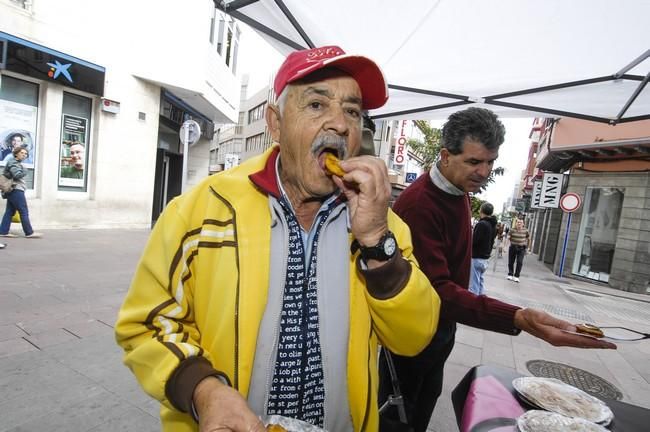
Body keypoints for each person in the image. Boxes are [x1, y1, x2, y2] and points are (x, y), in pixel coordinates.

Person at [115, 45, 440, 432]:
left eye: (352, 111)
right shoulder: (201, 211)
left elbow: (414, 338)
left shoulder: (383, 227)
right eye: (317, 105)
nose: (339, 123)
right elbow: (148, 324)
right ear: (275, 122)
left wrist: (376, 242)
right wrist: (204, 390)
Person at [378, 107, 615, 432]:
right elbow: (438, 291)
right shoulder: (420, 204)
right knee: (398, 418)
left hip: (440, 329)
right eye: (474, 162)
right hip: (411, 338)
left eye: (490, 161)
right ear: (446, 156)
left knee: (422, 408)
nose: (484, 171)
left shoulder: (458, 191)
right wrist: (516, 316)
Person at [0, 147, 42, 238]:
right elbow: (17, 175)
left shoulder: (16, 163)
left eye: (26, 153)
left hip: (13, 189)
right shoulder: (13, 162)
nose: (24, 155)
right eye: (22, 153)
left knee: (9, 211)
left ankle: (3, 231)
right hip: (15, 189)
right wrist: (25, 170)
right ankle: (29, 232)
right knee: (23, 211)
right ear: (16, 153)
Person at [469, 202, 497, 295]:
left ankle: (474, 304)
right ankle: (481, 301)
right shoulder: (493, 225)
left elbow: (474, 241)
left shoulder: (481, 224)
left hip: (476, 256)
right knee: (480, 281)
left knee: (473, 284)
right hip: (485, 258)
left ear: (481, 210)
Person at [507, 218, 530, 282]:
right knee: (511, 261)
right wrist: (504, 246)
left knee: (519, 262)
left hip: (521, 248)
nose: (519, 223)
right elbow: (508, 237)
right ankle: (510, 274)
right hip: (513, 247)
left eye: (521, 222)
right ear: (516, 223)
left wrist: (528, 248)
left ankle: (516, 276)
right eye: (518, 222)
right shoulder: (512, 230)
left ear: (523, 224)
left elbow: (528, 239)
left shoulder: (526, 230)